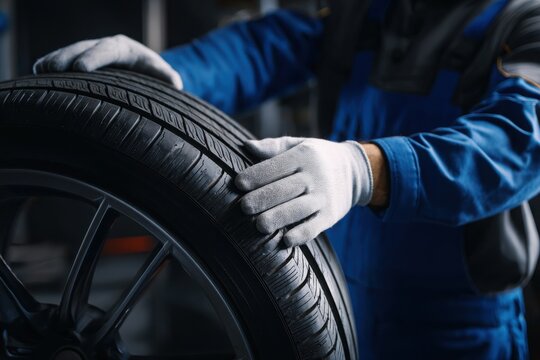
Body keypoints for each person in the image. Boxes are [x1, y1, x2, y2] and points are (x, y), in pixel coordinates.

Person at [33, 0, 540, 358]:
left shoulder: (525, 22)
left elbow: (518, 139)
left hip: (461, 333)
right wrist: (175, 73)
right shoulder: (369, 12)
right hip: (342, 303)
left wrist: (364, 169)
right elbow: (269, 45)